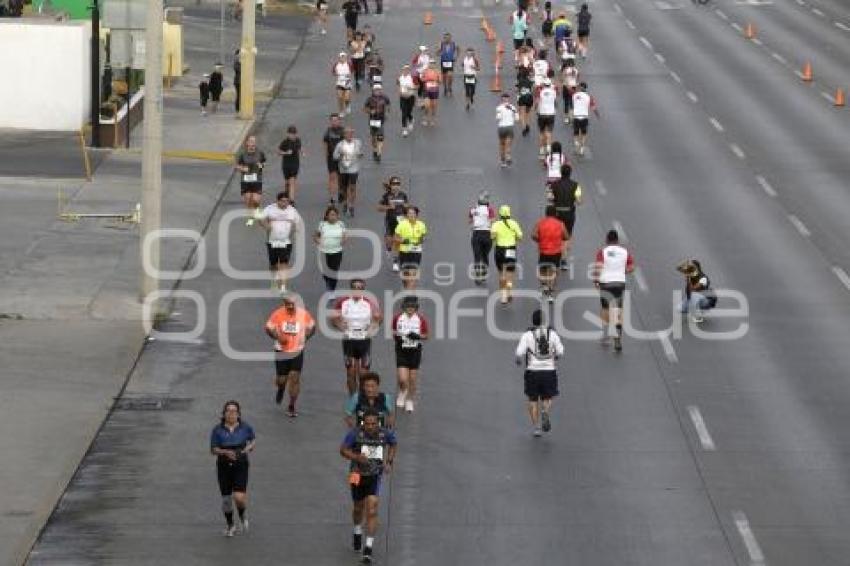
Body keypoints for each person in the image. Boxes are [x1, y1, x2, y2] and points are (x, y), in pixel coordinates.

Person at [340, 410, 398, 564]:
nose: (371, 427)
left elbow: (393, 443)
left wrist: (389, 462)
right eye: (368, 423)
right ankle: (357, 530)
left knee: (372, 509)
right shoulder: (355, 434)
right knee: (358, 507)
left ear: (378, 423)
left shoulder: (385, 434)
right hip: (356, 474)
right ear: (363, 422)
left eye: (374, 424)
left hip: (374, 475)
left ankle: (368, 548)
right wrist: (356, 457)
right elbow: (343, 450)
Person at [210, 400, 256, 536]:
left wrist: (250, 447)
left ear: (238, 414)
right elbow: (213, 449)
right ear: (224, 414)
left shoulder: (245, 427)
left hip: (241, 464)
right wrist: (225, 452)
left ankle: (242, 514)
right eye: (228, 411)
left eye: (234, 411)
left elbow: (253, 439)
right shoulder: (217, 430)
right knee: (226, 499)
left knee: (239, 497)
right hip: (223, 466)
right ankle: (230, 525)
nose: (231, 413)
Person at [265, 295, 316, 416]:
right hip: (281, 351)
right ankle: (281, 388)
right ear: (284, 303)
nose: (291, 306)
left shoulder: (303, 314)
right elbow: (268, 328)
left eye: (293, 304)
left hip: (297, 351)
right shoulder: (277, 314)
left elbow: (313, 326)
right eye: (288, 304)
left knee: (294, 378)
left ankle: (292, 405)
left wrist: (306, 336)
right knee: (281, 380)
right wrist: (277, 337)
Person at [515, 310, 564, 436]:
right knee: (547, 396)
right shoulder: (552, 334)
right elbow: (560, 351)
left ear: (533, 321)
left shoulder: (527, 335)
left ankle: (536, 427)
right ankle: (545, 410)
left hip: (532, 372)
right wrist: (556, 356)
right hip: (549, 371)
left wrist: (518, 360)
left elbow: (519, 352)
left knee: (532, 399)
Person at [333, 279, 383, 395]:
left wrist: (372, 328)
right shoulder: (343, 302)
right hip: (349, 341)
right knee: (350, 373)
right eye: (355, 287)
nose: (357, 290)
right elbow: (334, 318)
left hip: (364, 340)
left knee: (363, 374)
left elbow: (379, 318)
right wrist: (341, 327)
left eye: (360, 288)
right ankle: (353, 398)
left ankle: (361, 397)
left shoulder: (370, 302)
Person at [592, 229, 634, 352]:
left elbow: (599, 267)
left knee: (605, 309)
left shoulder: (602, 252)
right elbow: (631, 267)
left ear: (607, 240)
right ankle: (617, 338)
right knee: (617, 310)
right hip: (619, 283)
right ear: (617, 240)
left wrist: (595, 279)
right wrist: (622, 271)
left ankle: (605, 336)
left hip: (605, 283)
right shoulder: (625, 252)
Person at [259, 192, 302, 293]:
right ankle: (274, 280)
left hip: (286, 242)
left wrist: (295, 230)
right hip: (272, 241)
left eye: (286, 201)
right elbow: (261, 219)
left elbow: (298, 222)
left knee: (284, 264)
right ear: (277, 201)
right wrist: (266, 226)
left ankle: (283, 287)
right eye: (282, 201)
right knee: (273, 264)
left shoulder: (292, 210)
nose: (284, 203)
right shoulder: (270, 208)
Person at [392, 296, 429, 412]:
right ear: (404, 307)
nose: (410, 309)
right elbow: (393, 330)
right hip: (402, 349)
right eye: (408, 306)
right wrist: (397, 337)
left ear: (416, 308)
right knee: (403, 379)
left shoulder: (421, 319)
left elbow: (426, 335)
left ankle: (409, 400)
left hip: (415, 351)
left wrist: (417, 336)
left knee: (412, 379)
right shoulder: (398, 318)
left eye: (412, 307)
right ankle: (402, 392)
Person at [548, 163, 582, 270]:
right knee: (566, 236)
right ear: (570, 173)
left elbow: (549, 198)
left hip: (556, 213)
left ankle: (554, 256)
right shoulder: (576, 185)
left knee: (556, 234)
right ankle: (563, 260)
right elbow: (579, 201)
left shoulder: (553, 185)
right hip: (569, 214)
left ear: (560, 173)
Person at [532, 205, 568, 302]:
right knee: (554, 272)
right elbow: (566, 236)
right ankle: (551, 293)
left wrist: (540, 240)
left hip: (544, 251)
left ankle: (544, 285)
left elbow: (533, 235)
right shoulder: (560, 224)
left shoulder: (540, 223)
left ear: (546, 213)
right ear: (555, 214)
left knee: (542, 270)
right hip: (556, 252)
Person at [491, 205, 523, 304]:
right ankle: (509, 291)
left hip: (500, 249)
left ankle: (503, 297)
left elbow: (492, 236)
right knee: (509, 273)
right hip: (510, 249)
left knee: (501, 273)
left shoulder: (496, 224)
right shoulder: (514, 223)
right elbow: (520, 236)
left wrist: (497, 238)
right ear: (509, 213)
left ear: (500, 214)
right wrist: (514, 239)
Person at [377, 176, 409, 272]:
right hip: (390, 221)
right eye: (394, 184)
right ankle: (388, 248)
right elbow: (378, 208)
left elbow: (407, 206)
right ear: (390, 185)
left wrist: (406, 208)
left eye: (398, 184)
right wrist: (388, 207)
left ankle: (395, 262)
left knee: (397, 242)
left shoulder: (403, 195)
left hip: (400, 222)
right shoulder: (386, 196)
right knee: (389, 241)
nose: (396, 186)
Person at [314, 206, 347, 291]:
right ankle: (328, 283)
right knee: (325, 271)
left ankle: (332, 290)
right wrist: (318, 240)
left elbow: (344, 235)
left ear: (337, 216)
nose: (333, 217)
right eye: (331, 215)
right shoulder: (322, 224)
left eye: (335, 215)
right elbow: (316, 235)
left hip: (337, 251)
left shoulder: (341, 224)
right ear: (327, 216)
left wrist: (343, 240)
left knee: (334, 271)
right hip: (324, 251)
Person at [394, 206, 428, 290]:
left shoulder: (421, 225)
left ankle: (410, 295)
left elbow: (423, 237)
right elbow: (395, 238)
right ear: (406, 215)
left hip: (416, 252)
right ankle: (407, 289)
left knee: (412, 274)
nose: (411, 215)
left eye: (413, 213)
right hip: (404, 253)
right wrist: (403, 241)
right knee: (405, 275)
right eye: (409, 213)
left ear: (416, 215)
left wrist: (420, 241)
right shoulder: (401, 225)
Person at [235, 136, 266, 226]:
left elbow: (264, 162)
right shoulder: (242, 154)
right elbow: (236, 165)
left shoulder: (260, 153)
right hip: (245, 181)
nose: (253, 143)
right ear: (247, 143)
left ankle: (256, 210)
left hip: (257, 180)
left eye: (254, 142)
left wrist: (261, 165)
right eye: (251, 141)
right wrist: (242, 168)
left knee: (256, 200)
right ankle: (251, 218)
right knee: (248, 199)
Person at [333, 127, 364, 217]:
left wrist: (360, 154)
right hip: (343, 169)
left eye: (351, 133)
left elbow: (359, 152)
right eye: (347, 133)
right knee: (344, 188)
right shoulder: (340, 145)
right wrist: (340, 155)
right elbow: (334, 156)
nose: (350, 135)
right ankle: (346, 202)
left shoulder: (357, 142)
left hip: (354, 169)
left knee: (353, 187)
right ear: (344, 135)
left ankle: (352, 205)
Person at [469, 190, 495, 285]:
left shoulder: (473, 209)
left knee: (477, 256)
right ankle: (484, 273)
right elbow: (492, 221)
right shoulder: (490, 210)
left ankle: (477, 276)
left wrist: (476, 219)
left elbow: (469, 221)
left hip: (476, 234)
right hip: (487, 234)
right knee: (485, 255)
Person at [572, 82, 600, 156]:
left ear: (580, 88)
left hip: (576, 116)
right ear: (586, 88)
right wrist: (597, 115)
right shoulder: (589, 97)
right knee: (584, 134)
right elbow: (593, 107)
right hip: (584, 116)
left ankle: (576, 145)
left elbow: (573, 104)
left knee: (576, 133)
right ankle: (582, 149)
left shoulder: (574, 95)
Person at [363, 83, 390, 162]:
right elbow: (364, 109)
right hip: (372, 120)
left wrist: (387, 112)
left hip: (381, 120)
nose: (377, 91)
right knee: (374, 138)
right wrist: (370, 111)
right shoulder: (369, 99)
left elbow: (388, 105)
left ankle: (379, 153)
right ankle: (375, 150)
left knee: (380, 137)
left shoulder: (385, 98)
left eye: (379, 90)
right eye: (376, 90)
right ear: (373, 90)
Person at [277, 125, 305, 202]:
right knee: (287, 182)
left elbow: (300, 147)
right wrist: (286, 153)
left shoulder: (298, 140)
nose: (292, 135)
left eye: (294, 133)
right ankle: (287, 194)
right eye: (291, 134)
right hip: (286, 164)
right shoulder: (285, 142)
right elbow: (278, 152)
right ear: (288, 134)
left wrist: (302, 152)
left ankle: (291, 200)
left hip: (295, 164)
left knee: (292, 181)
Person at [323, 114, 345, 205]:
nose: (334, 122)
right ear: (330, 121)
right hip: (331, 158)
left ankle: (341, 192)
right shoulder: (328, 131)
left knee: (341, 177)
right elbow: (325, 143)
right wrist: (326, 155)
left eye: (336, 120)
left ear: (339, 121)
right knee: (332, 177)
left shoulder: (343, 131)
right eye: (333, 120)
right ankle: (332, 197)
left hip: (342, 158)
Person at [535, 77, 558, 160]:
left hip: (542, 114)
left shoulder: (540, 91)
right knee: (549, 132)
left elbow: (537, 102)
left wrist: (535, 109)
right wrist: (555, 108)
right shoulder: (554, 92)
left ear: (544, 85)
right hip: (551, 114)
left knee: (541, 132)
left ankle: (541, 151)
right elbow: (555, 102)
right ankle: (548, 147)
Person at [496, 93, 519, 167]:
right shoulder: (513, 107)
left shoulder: (499, 108)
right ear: (508, 99)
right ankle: (508, 155)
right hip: (510, 127)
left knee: (502, 144)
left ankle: (503, 162)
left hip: (501, 128)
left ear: (502, 99)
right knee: (508, 144)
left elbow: (498, 118)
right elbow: (517, 119)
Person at [397, 64, 416, 137]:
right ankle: (404, 129)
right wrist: (400, 93)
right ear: (402, 70)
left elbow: (417, 86)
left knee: (409, 112)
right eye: (404, 69)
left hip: (411, 96)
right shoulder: (399, 78)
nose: (406, 71)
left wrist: (411, 88)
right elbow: (398, 86)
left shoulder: (412, 78)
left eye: (407, 69)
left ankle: (411, 120)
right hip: (403, 97)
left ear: (409, 71)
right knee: (404, 113)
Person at [420, 61, 441, 126]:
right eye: (431, 63)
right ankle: (425, 119)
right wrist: (428, 79)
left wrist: (436, 80)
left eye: (433, 63)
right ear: (429, 64)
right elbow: (421, 79)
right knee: (427, 105)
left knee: (433, 106)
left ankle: (432, 119)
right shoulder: (425, 71)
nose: (432, 65)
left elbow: (440, 81)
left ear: (435, 64)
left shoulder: (437, 71)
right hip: (427, 90)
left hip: (435, 90)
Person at [560, 58, 579, 123]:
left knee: (566, 102)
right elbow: (577, 80)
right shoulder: (576, 70)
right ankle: (572, 117)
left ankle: (566, 118)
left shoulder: (565, 70)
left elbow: (562, 79)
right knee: (572, 102)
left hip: (566, 87)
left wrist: (567, 86)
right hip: (573, 87)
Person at [438, 32, 458, 97]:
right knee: (444, 77)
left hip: (450, 62)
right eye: (445, 38)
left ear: (450, 38)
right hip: (443, 62)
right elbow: (437, 53)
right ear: (444, 38)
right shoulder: (441, 44)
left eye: (448, 38)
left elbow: (458, 49)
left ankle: (450, 87)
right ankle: (445, 88)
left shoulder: (453, 44)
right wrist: (439, 53)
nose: (447, 39)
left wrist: (456, 57)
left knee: (450, 76)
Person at [516, 70, 534, 138]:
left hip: (522, 98)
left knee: (522, 114)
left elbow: (517, 91)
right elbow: (532, 90)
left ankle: (524, 128)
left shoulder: (519, 81)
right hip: (529, 97)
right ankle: (528, 125)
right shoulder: (530, 81)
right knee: (528, 113)